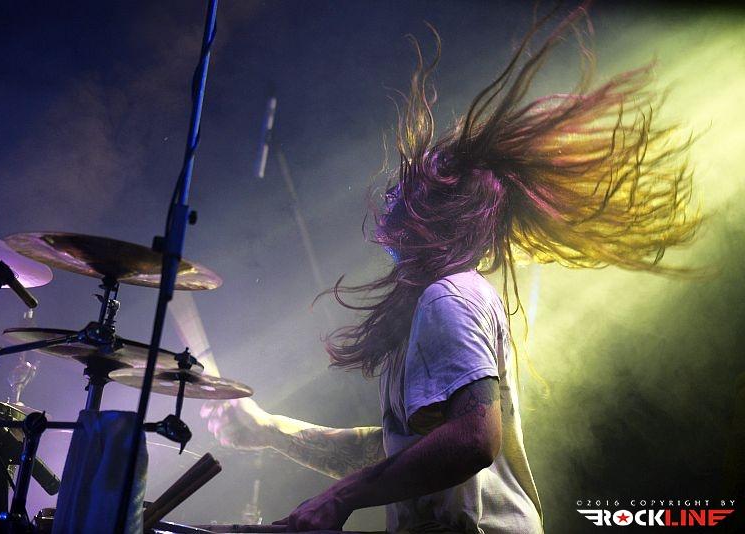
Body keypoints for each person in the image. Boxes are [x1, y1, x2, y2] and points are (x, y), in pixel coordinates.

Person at [201, 5, 699, 533]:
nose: (394, 189)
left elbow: (473, 440)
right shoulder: (434, 305)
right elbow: (399, 456)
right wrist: (270, 431)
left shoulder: (450, 296)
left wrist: (340, 498)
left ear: (440, 212)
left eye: (412, 182)